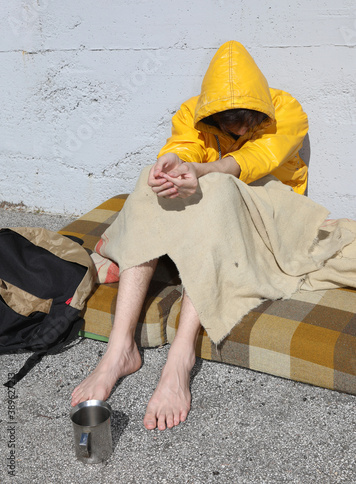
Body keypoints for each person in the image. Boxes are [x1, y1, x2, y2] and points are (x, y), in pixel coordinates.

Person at [71, 41, 309, 431]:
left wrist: (203, 172)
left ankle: (181, 356)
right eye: (233, 125)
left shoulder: (288, 110)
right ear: (213, 116)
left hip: (270, 215)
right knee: (151, 178)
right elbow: (185, 146)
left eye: (250, 120)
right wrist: (174, 164)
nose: (244, 130)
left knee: (217, 189)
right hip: (216, 205)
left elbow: (255, 159)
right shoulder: (191, 112)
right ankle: (119, 348)